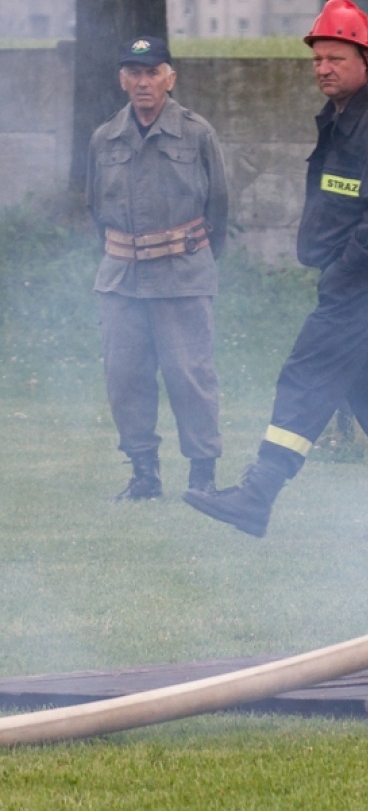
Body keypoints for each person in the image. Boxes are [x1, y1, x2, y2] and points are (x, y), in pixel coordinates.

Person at [186, 0, 368, 539]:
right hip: (353, 277)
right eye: (317, 59)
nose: (323, 68)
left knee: (307, 374)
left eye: (335, 57)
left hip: (364, 279)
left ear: (365, 59)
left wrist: (346, 269)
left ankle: (258, 493)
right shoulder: (342, 117)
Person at [87, 35, 229, 501]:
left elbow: (219, 207)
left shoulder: (197, 133)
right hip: (122, 279)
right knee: (124, 377)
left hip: (182, 276)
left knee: (190, 375)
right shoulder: (105, 137)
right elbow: (95, 210)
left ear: (170, 78)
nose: (143, 82)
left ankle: (202, 477)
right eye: (134, 73)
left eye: (153, 72)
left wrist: (196, 259)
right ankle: (144, 474)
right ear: (123, 80)